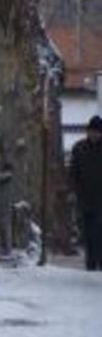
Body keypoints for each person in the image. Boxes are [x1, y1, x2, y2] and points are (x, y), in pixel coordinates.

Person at [70, 115, 102, 271]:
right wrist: (75, 190)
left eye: (97, 132)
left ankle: (99, 261)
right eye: (92, 131)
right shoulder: (79, 148)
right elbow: (73, 172)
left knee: (99, 230)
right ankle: (91, 262)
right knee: (88, 231)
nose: (94, 134)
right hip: (85, 197)